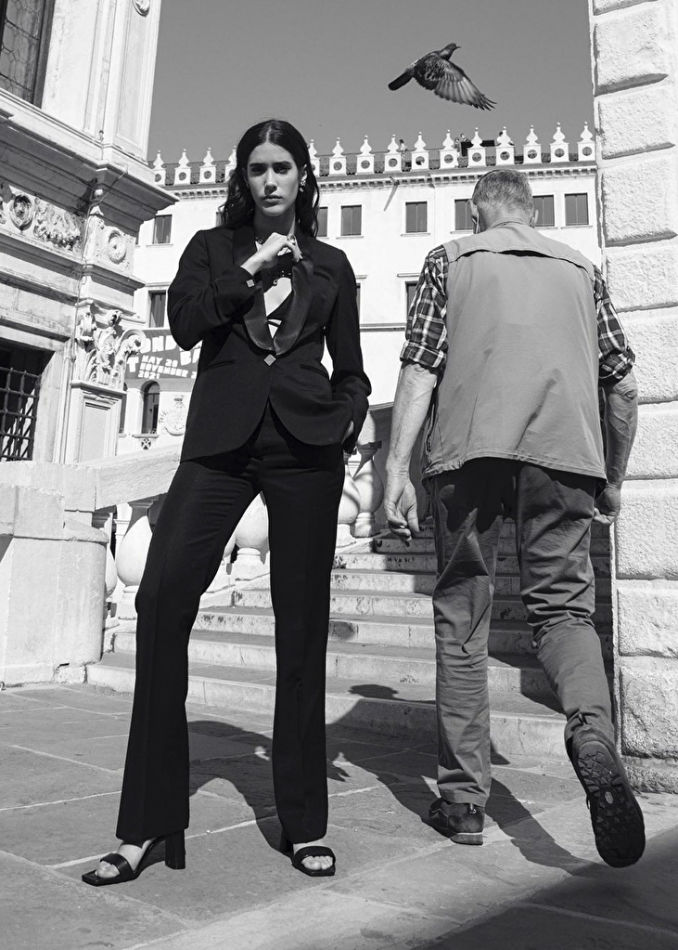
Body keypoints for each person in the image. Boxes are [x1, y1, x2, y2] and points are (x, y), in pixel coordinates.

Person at [82, 118, 370, 886]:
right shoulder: (211, 250)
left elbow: (352, 368)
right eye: (257, 168)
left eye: (282, 167)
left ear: (303, 176)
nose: (269, 179)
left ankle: (302, 822)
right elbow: (184, 325)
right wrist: (255, 265)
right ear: (243, 178)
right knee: (161, 599)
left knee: (301, 628)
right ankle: (148, 822)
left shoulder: (334, 265)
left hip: (305, 450)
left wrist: (343, 421)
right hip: (219, 445)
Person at [383, 168, 645, 868]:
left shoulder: (450, 260)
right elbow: (622, 383)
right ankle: (592, 733)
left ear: (480, 215)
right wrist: (613, 477)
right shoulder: (582, 272)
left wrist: (395, 468)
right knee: (565, 613)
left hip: (468, 452)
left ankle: (463, 801)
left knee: (463, 616)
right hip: (567, 455)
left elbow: (421, 366)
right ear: (532, 213)